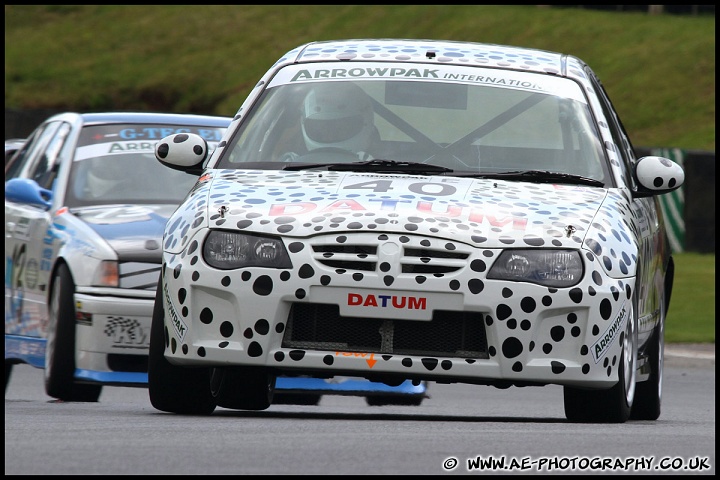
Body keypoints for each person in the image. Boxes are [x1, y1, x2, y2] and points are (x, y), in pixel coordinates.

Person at [281, 82, 379, 162]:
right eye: (320, 129)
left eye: (340, 128)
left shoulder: (386, 165)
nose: (329, 136)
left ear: (365, 123)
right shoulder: (286, 165)